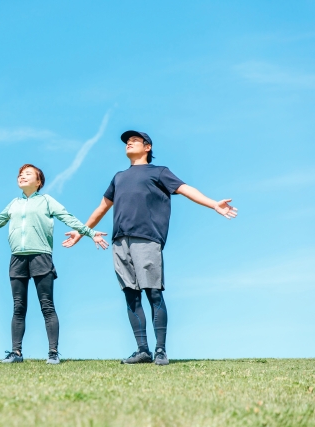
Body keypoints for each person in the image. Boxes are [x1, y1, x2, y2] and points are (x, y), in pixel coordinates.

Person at [62, 131, 237, 366]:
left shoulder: (159, 172)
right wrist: (81, 232)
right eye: (126, 141)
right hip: (119, 241)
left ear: (147, 147)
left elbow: (186, 189)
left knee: (153, 292)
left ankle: (161, 350)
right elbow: (102, 207)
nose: (129, 143)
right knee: (131, 296)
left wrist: (213, 203)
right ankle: (142, 350)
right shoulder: (119, 177)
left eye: (134, 140)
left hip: (147, 239)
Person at [0, 164, 108, 365]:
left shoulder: (46, 201)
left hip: (41, 257)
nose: (22, 177)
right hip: (17, 258)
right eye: (20, 174)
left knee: (47, 305)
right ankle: (16, 352)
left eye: (27, 174)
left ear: (38, 181)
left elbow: (68, 218)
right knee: (18, 307)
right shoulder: (13, 204)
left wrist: (91, 233)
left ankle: (53, 352)